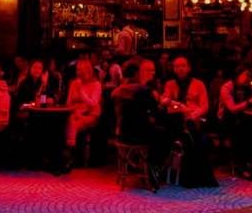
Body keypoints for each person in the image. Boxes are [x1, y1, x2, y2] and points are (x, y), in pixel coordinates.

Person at [111, 61, 166, 190]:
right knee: (164, 133)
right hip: (139, 136)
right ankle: (154, 167)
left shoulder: (116, 91)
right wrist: (163, 105)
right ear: (136, 74)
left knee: (156, 131)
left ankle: (142, 167)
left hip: (121, 134)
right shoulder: (143, 90)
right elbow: (156, 113)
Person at [66, 59, 102, 148]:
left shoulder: (96, 84)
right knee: (67, 120)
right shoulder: (74, 83)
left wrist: (81, 91)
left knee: (74, 125)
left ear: (88, 70)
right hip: (75, 113)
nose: (78, 72)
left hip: (91, 114)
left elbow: (93, 103)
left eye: (81, 69)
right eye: (77, 69)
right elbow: (68, 103)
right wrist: (75, 112)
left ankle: (71, 146)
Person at [161, 57, 209, 125]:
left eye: (183, 66)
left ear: (189, 68)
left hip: (194, 117)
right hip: (175, 116)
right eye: (177, 66)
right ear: (174, 69)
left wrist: (193, 115)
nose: (180, 68)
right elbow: (165, 100)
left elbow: (204, 107)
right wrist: (179, 105)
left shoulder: (199, 84)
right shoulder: (169, 84)